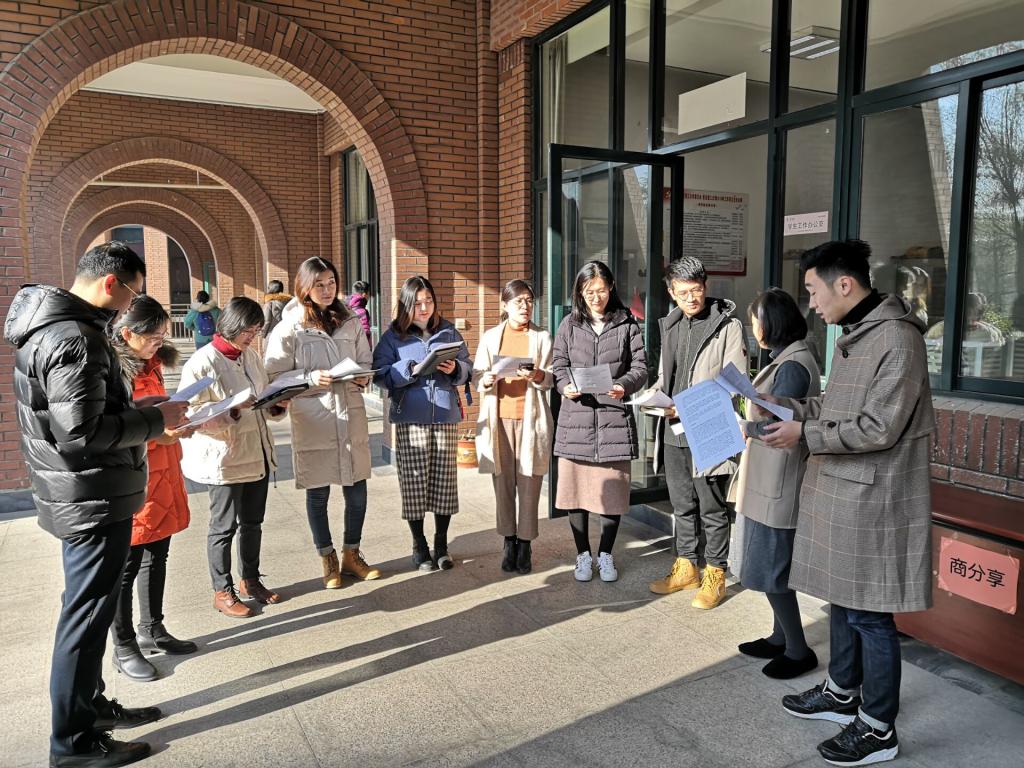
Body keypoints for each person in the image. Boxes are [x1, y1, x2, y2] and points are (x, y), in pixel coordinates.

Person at [3, 241, 188, 767]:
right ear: (112, 284)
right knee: (84, 621)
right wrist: (155, 420)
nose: (131, 306)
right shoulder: (74, 338)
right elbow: (82, 432)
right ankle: (74, 744)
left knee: (89, 611)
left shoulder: (63, 328)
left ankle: (92, 708)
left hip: (86, 491)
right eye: (132, 293)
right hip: (90, 495)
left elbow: (87, 412)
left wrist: (147, 409)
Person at [763, 240, 934, 766]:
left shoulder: (898, 339)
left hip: (874, 497)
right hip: (845, 490)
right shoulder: (856, 334)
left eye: (813, 291)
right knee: (842, 599)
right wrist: (783, 406)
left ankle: (878, 727)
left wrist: (804, 433)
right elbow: (836, 407)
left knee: (869, 614)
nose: (811, 303)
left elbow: (878, 427)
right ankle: (841, 693)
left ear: (844, 284)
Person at [265, 257, 380, 589]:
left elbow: (365, 360)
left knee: (357, 491)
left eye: (331, 283)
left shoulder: (350, 321)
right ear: (305, 287)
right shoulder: (290, 327)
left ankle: (352, 554)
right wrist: (310, 377)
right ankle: (327, 557)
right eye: (319, 284)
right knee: (318, 493)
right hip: (314, 416)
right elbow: (274, 376)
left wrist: (363, 377)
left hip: (350, 414)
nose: (328, 290)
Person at [647, 255, 746, 610]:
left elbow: (735, 381)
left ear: (705, 286)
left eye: (697, 290)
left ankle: (715, 574)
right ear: (671, 292)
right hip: (673, 429)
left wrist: (687, 406)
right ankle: (686, 567)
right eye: (683, 292)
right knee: (682, 504)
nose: (691, 298)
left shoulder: (727, 326)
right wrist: (653, 397)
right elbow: (666, 377)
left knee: (712, 508)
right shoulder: (671, 325)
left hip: (710, 428)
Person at [179, 297, 288, 618]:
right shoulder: (202, 362)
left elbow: (261, 396)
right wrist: (232, 410)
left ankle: (250, 580)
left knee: (253, 523)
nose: (252, 336)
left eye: (256, 330)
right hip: (223, 459)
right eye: (248, 330)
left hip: (256, 453)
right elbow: (190, 414)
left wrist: (276, 404)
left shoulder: (250, 356)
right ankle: (222, 590)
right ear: (231, 325)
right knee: (223, 527)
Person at [731, 288, 820, 679]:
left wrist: (743, 427)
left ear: (771, 323)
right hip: (770, 478)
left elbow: (777, 424)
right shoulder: (788, 359)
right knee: (771, 566)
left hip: (779, 483)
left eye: (755, 321)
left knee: (773, 570)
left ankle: (798, 651)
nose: (754, 329)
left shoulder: (793, 366)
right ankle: (779, 637)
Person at [110, 297, 199, 683]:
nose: (159, 343)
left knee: (156, 556)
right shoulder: (113, 372)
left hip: (162, 474)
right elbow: (114, 430)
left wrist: (181, 424)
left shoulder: (153, 365)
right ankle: (124, 644)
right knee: (125, 568)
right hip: (134, 479)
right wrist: (160, 433)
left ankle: (152, 627)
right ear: (128, 333)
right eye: (153, 336)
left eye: (163, 336)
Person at [551, 261, 647, 583]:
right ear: (580, 292)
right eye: (589, 291)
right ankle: (582, 554)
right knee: (575, 492)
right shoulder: (569, 324)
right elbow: (559, 365)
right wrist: (565, 386)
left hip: (613, 419)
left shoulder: (626, 323)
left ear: (611, 288)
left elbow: (641, 368)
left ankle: (606, 554)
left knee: (613, 493)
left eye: (601, 290)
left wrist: (624, 385)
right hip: (576, 421)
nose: (596, 297)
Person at [372, 275, 471, 571]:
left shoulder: (448, 331)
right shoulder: (393, 337)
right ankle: (419, 545)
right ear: (406, 305)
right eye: (417, 303)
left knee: (444, 484)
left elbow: (468, 368)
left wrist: (455, 368)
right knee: (414, 484)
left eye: (428, 301)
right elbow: (380, 374)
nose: (424, 308)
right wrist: (409, 369)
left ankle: (441, 544)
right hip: (410, 418)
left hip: (444, 416)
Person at [473, 279, 554, 575]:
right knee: (503, 484)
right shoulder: (491, 337)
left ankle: (525, 543)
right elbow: (477, 374)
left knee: (530, 483)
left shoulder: (542, 337)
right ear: (505, 305)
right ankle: (509, 540)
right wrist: (485, 379)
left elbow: (552, 378)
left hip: (531, 420)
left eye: (529, 300)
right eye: (519, 301)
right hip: (499, 421)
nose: (525, 306)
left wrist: (538, 375)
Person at [348, 279, 373, 346]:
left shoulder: (346, 308)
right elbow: (365, 334)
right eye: (369, 294)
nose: (369, 297)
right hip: (360, 349)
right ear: (364, 295)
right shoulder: (362, 312)